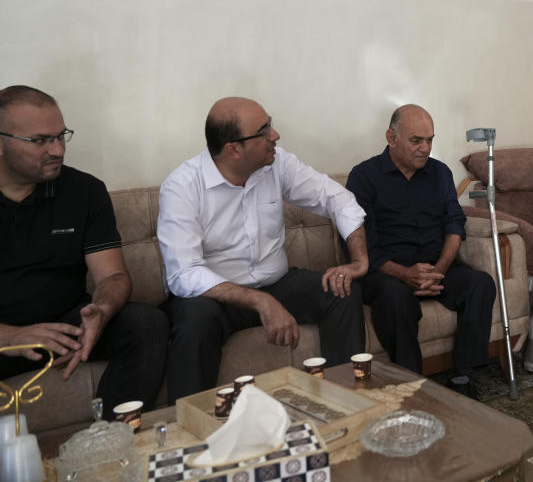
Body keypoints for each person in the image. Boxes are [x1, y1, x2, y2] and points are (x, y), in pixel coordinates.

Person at [157, 97, 369, 403]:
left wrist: (359, 260)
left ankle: (344, 402)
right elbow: (184, 272)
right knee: (194, 324)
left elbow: (336, 198)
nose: (275, 136)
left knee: (341, 291)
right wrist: (260, 301)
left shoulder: (276, 163)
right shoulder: (182, 186)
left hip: (277, 282)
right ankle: (192, 430)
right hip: (215, 295)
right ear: (233, 149)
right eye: (264, 130)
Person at [0, 86, 168, 418]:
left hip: (66, 325)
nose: (58, 150)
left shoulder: (84, 191)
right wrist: (12, 335)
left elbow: (114, 276)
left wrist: (101, 311)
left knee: (147, 324)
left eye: (61, 136)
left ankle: (110, 441)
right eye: (40, 141)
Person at [347, 105, 495, 398]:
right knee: (394, 298)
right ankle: (411, 382)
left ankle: (464, 376)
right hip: (386, 271)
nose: (425, 148)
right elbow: (363, 244)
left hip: (435, 267)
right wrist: (404, 274)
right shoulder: (364, 176)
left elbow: (455, 226)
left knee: (480, 284)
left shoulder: (439, 173)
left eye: (430, 140)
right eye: (417, 140)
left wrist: (439, 269)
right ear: (391, 137)